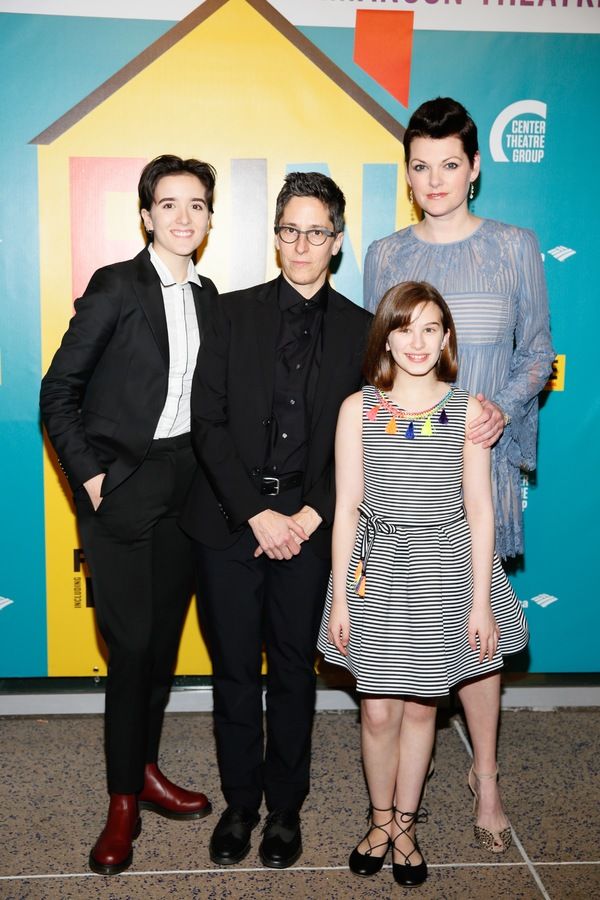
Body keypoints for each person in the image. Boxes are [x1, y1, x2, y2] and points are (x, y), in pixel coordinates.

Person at [363, 97, 554, 854]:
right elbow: (376, 364)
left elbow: (537, 351)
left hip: (483, 454)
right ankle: (403, 782)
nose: (435, 179)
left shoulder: (514, 246)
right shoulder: (384, 254)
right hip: (406, 467)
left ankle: (487, 775)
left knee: (476, 624)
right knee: (411, 621)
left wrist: (499, 407)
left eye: (449, 164)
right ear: (408, 175)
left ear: (474, 167)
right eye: (421, 166)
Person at [180, 172, 372, 869]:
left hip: (311, 527)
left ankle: (286, 808)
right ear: (276, 236)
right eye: (290, 229)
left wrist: (312, 514)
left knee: (293, 670)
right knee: (234, 670)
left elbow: (364, 437)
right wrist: (257, 513)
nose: (302, 244)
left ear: (337, 241)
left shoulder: (362, 329)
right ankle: (240, 805)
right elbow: (207, 422)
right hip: (230, 522)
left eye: (316, 232)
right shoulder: (230, 314)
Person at [40, 155, 218, 876]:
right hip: (122, 488)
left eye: (196, 204)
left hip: (186, 488)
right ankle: (121, 802)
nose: (183, 217)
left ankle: (145, 770)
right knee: (133, 646)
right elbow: (58, 391)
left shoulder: (209, 296)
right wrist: (91, 477)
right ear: (146, 215)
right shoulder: (117, 286)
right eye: (168, 204)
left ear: (210, 217)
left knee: (163, 645)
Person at [318, 281, 529, 887]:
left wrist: (481, 605)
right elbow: (348, 508)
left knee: (421, 710)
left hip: (449, 576)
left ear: (446, 339)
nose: (417, 342)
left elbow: (480, 510)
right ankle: (379, 821)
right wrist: (339, 597)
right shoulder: (358, 409)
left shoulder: (467, 410)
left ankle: (406, 826)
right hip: (377, 575)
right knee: (377, 713)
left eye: (430, 329)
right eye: (404, 328)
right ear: (385, 338)